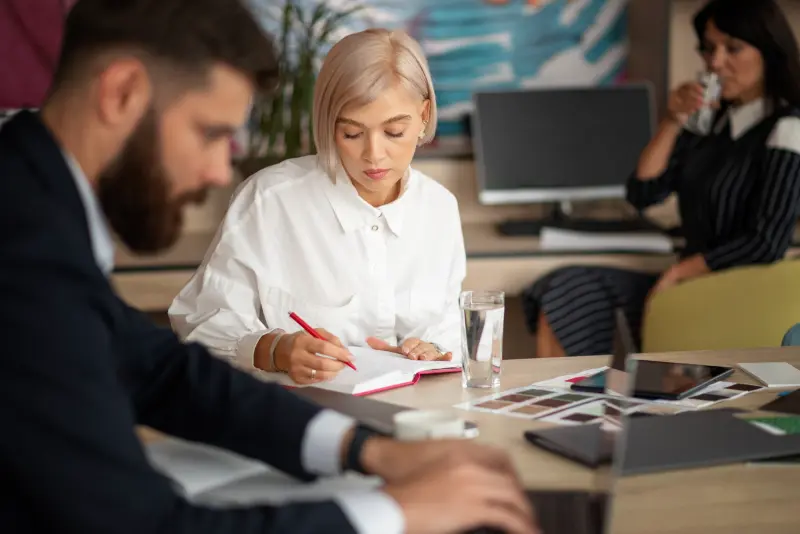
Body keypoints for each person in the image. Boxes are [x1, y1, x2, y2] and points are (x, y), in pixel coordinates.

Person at [0, 2, 539, 534]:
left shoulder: (37, 208)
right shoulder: (26, 255)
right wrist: (399, 512)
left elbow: (160, 370)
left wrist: (363, 451)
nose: (218, 171)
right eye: (212, 134)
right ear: (122, 93)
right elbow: (146, 523)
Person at [168, 29, 466, 385]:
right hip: (298, 415)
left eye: (394, 132)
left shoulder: (440, 208)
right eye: (352, 134)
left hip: (416, 415)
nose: (374, 154)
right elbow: (199, 322)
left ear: (423, 115)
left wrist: (432, 349)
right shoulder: (271, 200)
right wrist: (275, 349)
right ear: (328, 124)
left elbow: (450, 332)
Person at [523, 0, 800, 358]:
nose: (715, 62)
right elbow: (642, 193)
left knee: (579, 297)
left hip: (735, 290)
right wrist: (672, 120)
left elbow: (766, 241)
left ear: (768, 51)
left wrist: (680, 273)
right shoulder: (711, 123)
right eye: (708, 49)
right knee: (564, 290)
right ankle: (569, 410)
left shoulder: (787, 128)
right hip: (689, 282)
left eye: (733, 48)